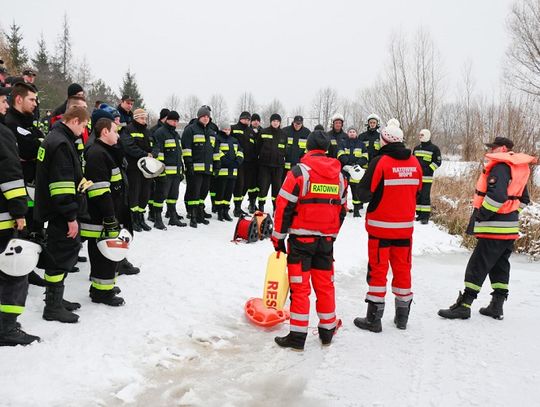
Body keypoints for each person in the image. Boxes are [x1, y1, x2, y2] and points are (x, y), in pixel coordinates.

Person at [438, 137, 535, 320]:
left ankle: (464, 305)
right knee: (499, 265)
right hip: (509, 228)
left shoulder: (500, 166)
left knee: (478, 264)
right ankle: (496, 306)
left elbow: (496, 197)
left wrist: (482, 215)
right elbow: (523, 200)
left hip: (494, 227)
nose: (491, 150)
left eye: (494, 147)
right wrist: (511, 214)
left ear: (504, 148)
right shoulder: (520, 167)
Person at [272, 130, 348, 350]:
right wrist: (331, 234)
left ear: (308, 147)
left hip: (300, 242)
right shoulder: (340, 175)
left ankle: (297, 337)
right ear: (326, 150)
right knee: (325, 286)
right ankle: (326, 332)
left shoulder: (299, 172)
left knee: (300, 289)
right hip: (325, 242)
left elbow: (283, 206)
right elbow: (342, 209)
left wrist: (278, 238)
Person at [353, 124, 422, 333]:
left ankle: (373, 319)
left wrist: (360, 181)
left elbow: (362, 194)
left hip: (380, 229)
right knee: (403, 270)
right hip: (404, 229)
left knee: (378, 271)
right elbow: (418, 191)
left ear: (384, 140)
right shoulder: (415, 163)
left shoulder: (380, 162)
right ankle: (402, 318)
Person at [34, 106, 90, 324]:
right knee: (60, 256)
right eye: (83, 126)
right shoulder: (61, 144)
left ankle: (56, 300)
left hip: (56, 210)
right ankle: (53, 307)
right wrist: (70, 216)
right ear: (75, 120)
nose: (83, 130)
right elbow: (61, 185)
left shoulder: (56, 138)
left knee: (62, 254)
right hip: (61, 212)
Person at [0, 86, 40, 346]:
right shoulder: (3, 133)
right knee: (14, 272)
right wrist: (19, 211)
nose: (4, 106)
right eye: (2, 101)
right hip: (3, 215)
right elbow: (10, 173)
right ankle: (6, 328)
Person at [82, 118, 127, 306]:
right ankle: (102, 293)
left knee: (103, 251)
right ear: (105, 132)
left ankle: (100, 287)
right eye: (115, 131)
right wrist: (109, 217)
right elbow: (100, 191)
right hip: (101, 215)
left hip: (107, 212)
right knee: (104, 252)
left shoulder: (105, 151)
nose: (118, 135)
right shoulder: (97, 154)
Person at [181, 106, 221, 228]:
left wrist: (217, 164)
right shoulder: (190, 130)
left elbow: (215, 151)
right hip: (195, 170)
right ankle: (193, 216)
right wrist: (189, 164)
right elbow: (186, 149)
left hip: (208, 169)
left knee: (203, 193)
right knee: (194, 193)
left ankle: (199, 214)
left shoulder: (212, 133)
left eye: (207, 116)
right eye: (203, 116)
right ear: (199, 117)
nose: (205, 118)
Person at [120, 108, 154, 232]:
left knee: (145, 194)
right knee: (134, 193)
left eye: (145, 118)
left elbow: (155, 145)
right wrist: (145, 154)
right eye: (141, 118)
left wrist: (153, 153)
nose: (144, 120)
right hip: (134, 168)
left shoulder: (148, 132)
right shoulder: (128, 130)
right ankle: (132, 219)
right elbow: (129, 147)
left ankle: (140, 218)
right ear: (135, 118)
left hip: (147, 169)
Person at [153, 110, 187, 229]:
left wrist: (181, 170)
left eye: (177, 121)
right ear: (167, 120)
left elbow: (179, 154)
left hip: (176, 173)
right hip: (165, 172)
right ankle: (157, 219)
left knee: (173, 196)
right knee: (160, 196)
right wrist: (161, 172)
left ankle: (173, 217)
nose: (175, 123)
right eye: (173, 120)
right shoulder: (160, 133)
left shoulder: (176, 135)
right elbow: (159, 154)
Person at [256, 113, 286, 212]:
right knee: (263, 187)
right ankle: (261, 207)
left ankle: (275, 208)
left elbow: (285, 150)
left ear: (280, 123)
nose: (275, 123)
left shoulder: (283, 134)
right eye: (273, 121)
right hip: (265, 166)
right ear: (270, 122)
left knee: (277, 189)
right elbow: (257, 147)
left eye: (277, 121)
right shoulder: (264, 132)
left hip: (278, 167)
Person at [215, 122, 243, 221]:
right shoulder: (217, 139)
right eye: (225, 129)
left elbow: (240, 151)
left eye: (228, 129)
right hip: (222, 171)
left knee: (228, 193)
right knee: (221, 192)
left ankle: (226, 211)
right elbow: (217, 152)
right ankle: (219, 212)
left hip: (233, 172)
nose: (227, 131)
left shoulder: (234, 140)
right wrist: (226, 162)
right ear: (221, 129)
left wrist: (238, 161)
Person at [337, 126, 368, 217]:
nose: (352, 133)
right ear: (347, 133)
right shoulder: (343, 143)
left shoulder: (361, 144)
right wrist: (348, 163)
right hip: (345, 170)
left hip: (356, 171)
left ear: (356, 133)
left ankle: (356, 210)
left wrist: (357, 164)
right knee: (342, 190)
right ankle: (342, 208)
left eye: (353, 131)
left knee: (356, 191)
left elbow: (365, 156)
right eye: (350, 131)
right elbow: (340, 154)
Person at [231, 112, 257, 216]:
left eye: (248, 119)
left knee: (246, 185)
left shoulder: (251, 131)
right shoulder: (233, 128)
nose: (246, 121)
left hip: (249, 163)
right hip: (238, 162)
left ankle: (239, 205)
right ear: (240, 119)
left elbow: (254, 147)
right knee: (239, 184)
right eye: (244, 119)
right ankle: (236, 207)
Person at [413, 129, 442, 224]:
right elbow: (412, 161)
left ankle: (425, 217)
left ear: (427, 135)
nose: (420, 136)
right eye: (419, 134)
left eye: (422, 135)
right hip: (417, 178)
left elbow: (438, 162)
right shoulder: (416, 148)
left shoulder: (434, 149)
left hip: (427, 178)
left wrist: (428, 169)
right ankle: (419, 214)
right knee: (418, 196)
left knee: (425, 196)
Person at [282, 115, 311, 181]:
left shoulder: (307, 133)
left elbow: (309, 148)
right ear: (293, 122)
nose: (297, 125)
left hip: (300, 166)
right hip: (285, 165)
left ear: (302, 123)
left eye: (299, 123)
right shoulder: (285, 131)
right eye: (296, 123)